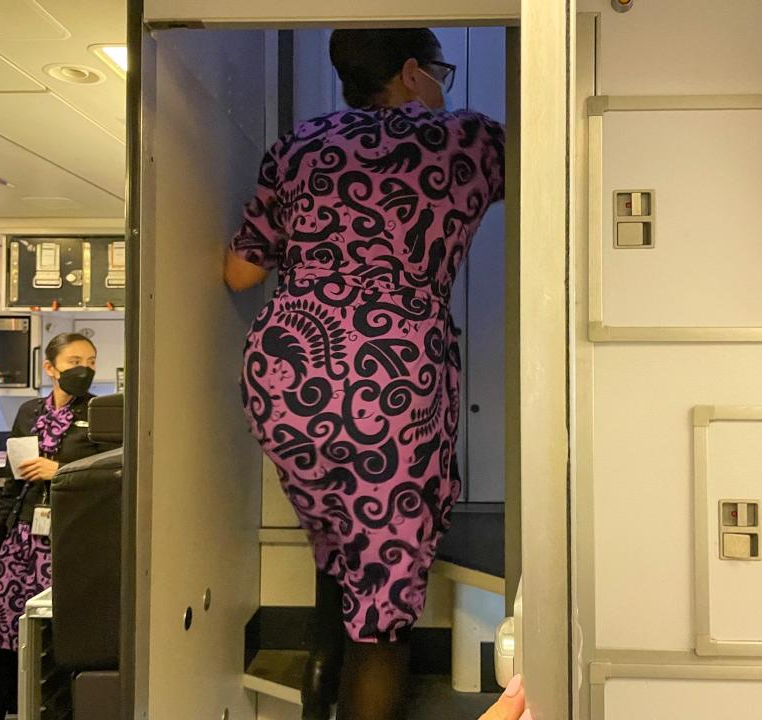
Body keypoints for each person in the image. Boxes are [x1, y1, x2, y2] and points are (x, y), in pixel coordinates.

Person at [225, 29, 504, 720]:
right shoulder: (463, 139)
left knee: (343, 561)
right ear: (412, 73)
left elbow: (240, 270)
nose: (443, 84)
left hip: (286, 368)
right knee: (383, 611)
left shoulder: (299, 144)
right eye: (438, 70)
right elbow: (563, 160)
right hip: (391, 380)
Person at [0, 333, 111, 720]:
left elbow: (113, 476)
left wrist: (61, 470)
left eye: (90, 363)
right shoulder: (28, 413)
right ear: (50, 368)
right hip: (20, 540)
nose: (83, 370)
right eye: (74, 361)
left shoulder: (103, 413)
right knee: (5, 636)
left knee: (59, 639)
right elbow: (11, 487)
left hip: (68, 539)